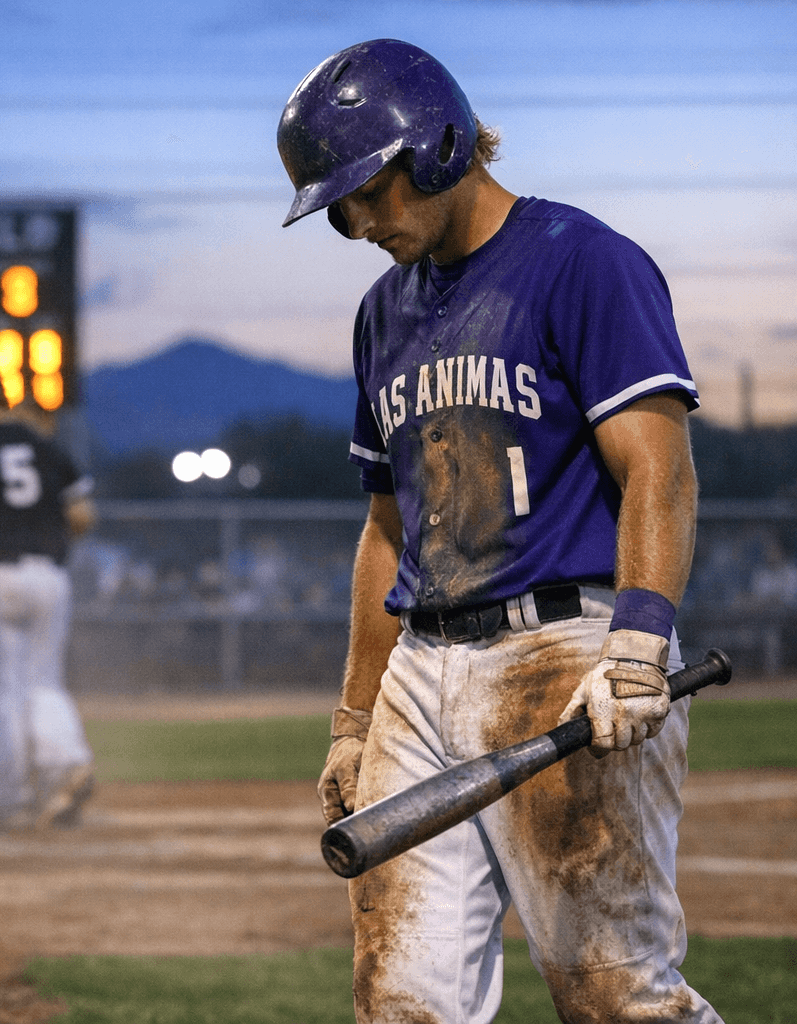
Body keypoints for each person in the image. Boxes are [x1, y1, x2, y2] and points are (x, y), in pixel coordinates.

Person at [279, 39, 718, 1023]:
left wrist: (639, 643)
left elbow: (658, 469)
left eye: (368, 193)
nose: (359, 225)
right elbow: (387, 530)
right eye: (339, 210)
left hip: (563, 657)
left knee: (614, 995)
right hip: (419, 670)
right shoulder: (381, 314)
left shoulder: (583, 261)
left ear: (438, 146)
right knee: (403, 999)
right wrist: (355, 719)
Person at [0, 358, 98, 828]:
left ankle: (11, 793)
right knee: (43, 680)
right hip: (50, 574)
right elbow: (82, 516)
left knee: (1, 688)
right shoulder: (44, 445)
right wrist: (41, 528)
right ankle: (66, 762)